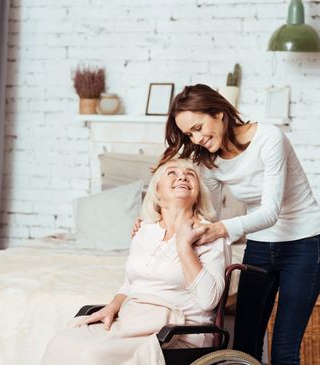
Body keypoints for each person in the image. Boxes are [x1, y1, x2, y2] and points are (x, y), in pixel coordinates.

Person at [156, 83, 320, 365]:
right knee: (243, 346)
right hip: (260, 245)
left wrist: (221, 229)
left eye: (198, 127)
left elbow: (270, 212)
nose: (196, 139)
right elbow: (205, 214)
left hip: (304, 244)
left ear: (219, 112)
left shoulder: (269, 138)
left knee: (283, 350)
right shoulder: (210, 161)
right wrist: (154, 220)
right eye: (189, 134)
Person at [42, 158, 230, 365]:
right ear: (157, 191)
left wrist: (184, 246)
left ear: (198, 193)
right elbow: (131, 283)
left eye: (190, 174)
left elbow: (209, 299)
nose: (182, 176)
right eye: (172, 173)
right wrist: (112, 307)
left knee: (94, 355)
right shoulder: (145, 231)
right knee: (62, 342)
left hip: (178, 330)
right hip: (133, 320)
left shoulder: (211, 234)